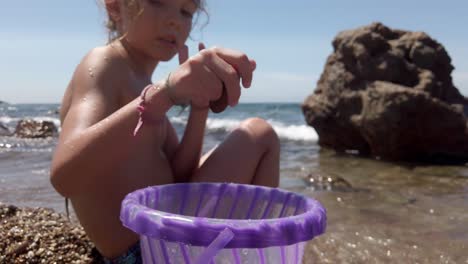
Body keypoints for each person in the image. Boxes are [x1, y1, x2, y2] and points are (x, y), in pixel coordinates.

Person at [50, 0, 280, 262]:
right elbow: (64, 177)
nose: (174, 20)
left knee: (257, 137)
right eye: (158, 2)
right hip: (140, 252)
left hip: (159, 241)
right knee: (257, 133)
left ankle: (249, 254)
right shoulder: (105, 63)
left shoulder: (144, 82)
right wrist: (164, 94)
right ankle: (255, 255)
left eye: (186, 12)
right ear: (115, 7)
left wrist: (199, 107)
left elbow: (179, 176)